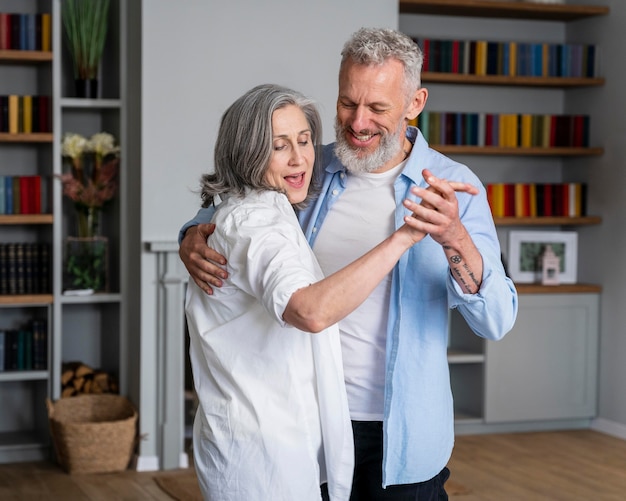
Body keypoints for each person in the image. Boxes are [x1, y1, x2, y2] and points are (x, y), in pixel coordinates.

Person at [180, 29, 518, 500]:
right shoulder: (310, 167)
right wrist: (192, 234)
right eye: (347, 103)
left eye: (377, 108)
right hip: (310, 422)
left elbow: (496, 318)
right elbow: (240, 197)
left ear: (415, 102)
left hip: (399, 434)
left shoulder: (453, 186)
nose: (358, 122)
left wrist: (454, 237)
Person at [185, 83, 450, 501]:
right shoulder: (256, 225)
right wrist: (405, 237)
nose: (300, 158)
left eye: (305, 140)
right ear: (247, 153)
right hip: (263, 452)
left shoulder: (266, 210)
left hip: (267, 440)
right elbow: (309, 311)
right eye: (279, 146)